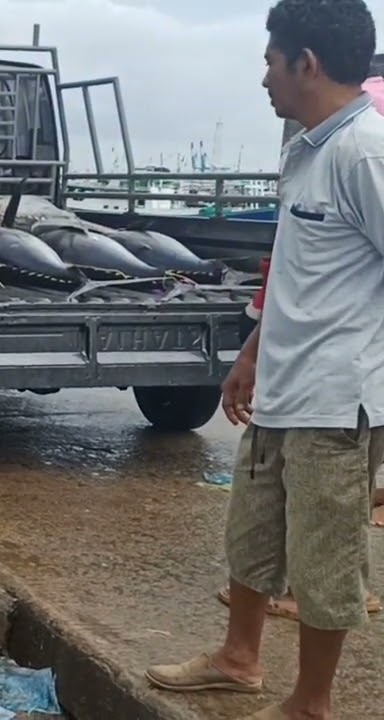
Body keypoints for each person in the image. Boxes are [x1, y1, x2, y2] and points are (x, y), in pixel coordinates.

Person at [145, 2, 384, 718]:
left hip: (337, 398)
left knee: (324, 553)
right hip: (283, 380)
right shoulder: (304, 147)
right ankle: (237, 658)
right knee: (251, 532)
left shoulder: (364, 152)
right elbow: (295, 266)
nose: (263, 79)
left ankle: (310, 703)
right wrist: (251, 351)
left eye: (271, 61)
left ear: (305, 63)